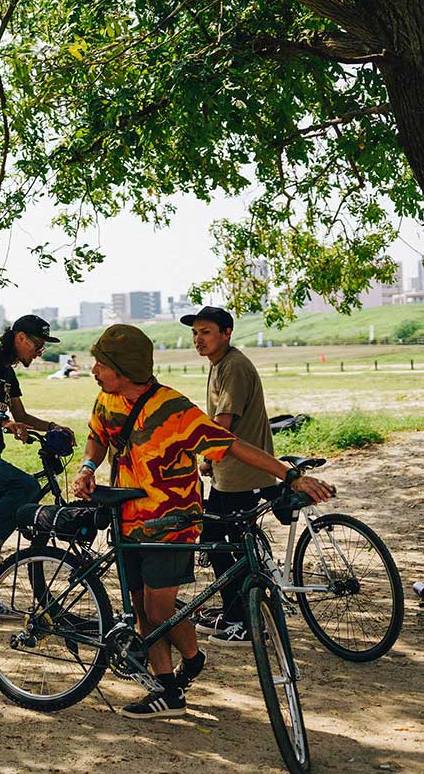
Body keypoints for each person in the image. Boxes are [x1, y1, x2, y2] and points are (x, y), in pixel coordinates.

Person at [72, 324, 332, 720]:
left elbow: (231, 446)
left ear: (122, 370)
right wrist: (89, 466)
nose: (93, 370)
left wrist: (290, 474)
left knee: (158, 609)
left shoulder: (173, 409)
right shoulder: (107, 400)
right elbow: (98, 436)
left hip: (171, 520)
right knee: (143, 605)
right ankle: (174, 680)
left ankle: (176, 682)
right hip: (126, 517)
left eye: (100, 364)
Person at [0, 314, 75, 597]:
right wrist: (3, 422)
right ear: (20, 337)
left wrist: (54, 427)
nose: (39, 351)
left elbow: (21, 415)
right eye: (37, 344)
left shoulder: (8, 373)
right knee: (26, 487)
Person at [182, 305, 277, 646]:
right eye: (195, 333)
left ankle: (243, 621)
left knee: (221, 543)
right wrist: (210, 459)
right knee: (224, 540)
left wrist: (199, 451)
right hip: (230, 472)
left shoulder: (233, 366)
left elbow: (223, 425)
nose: (198, 339)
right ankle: (243, 611)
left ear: (226, 333)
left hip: (242, 474)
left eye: (205, 332)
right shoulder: (221, 364)